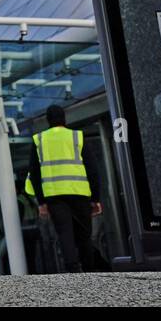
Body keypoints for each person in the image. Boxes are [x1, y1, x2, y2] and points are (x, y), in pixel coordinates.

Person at [26, 105, 102, 273]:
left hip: (54, 196)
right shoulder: (77, 137)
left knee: (64, 233)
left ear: (48, 120)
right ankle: (90, 272)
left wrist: (41, 202)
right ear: (64, 118)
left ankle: (73, 272)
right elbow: (93, 169)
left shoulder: (39, 140)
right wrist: (96, 199)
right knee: (84, 236)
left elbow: (34, 173)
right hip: (80, 193)